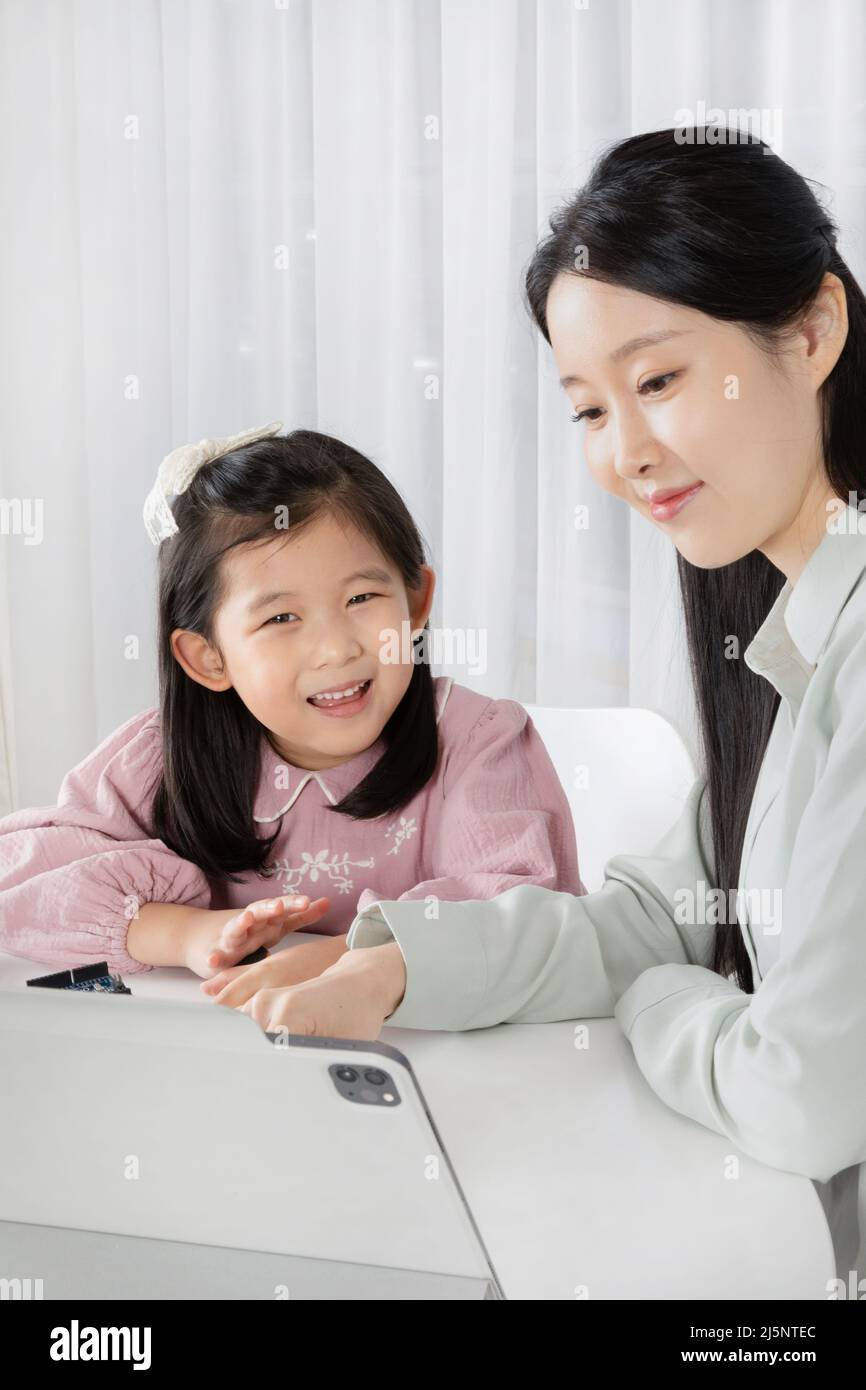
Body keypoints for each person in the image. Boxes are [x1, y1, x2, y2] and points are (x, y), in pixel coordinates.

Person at [242, 129, 866, 1284]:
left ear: (813, 329)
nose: (625, 451)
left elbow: (799, 1096)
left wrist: (664, 998)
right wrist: (400, 965)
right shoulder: (791, 648)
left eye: (659, 380)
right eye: (586, 409)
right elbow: (649, 918)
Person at [0, 426, 582, 982]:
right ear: (208, 658)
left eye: (361, 597)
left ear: (415, 602)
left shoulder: (479, 742)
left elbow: (522, 920)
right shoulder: (157, 759)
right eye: (282, 617)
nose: (336, 648)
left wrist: (339, 962)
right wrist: (186, 935)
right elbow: (25, 880)